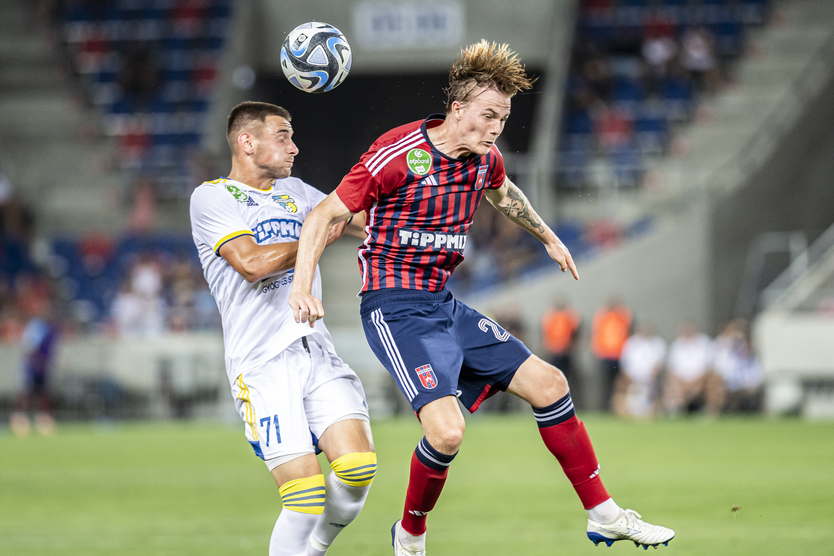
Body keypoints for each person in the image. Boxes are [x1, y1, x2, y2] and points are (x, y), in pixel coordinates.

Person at [288, 41, 674, 554]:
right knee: (447, 433)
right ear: (458, 108)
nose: (496, 128)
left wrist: (549, 238)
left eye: (504, 118)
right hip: (394, 307)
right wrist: (301, 284)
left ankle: (604, 514)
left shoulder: (485, 159)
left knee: (551, 384)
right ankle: (410, 533)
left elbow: (505, 192)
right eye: (489, 115)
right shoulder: (398, 153)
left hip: (443, 304)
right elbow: (324, 215)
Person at [189, 101, 376, 556]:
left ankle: (314, 551)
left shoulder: (297, 191)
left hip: (315, 348)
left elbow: (362, 221)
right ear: (246, 142)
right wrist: (316, 237)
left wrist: (424, 206)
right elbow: (251, 264)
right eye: (283, 136)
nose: (294, 147)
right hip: (262, 363)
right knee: (305, 498)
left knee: (358, 467)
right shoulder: (212, 197)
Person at [10, 300, 59, 437]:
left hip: (44, 367)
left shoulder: (50, 329)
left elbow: (51, 350)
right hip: (31, 367)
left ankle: (43, 419)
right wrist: (35, 362)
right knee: (26, 393)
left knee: (43, 393)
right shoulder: (35, 327)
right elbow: (29, 347)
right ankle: (20, 419)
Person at [661, 320, 723, 416]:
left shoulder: (705, 343)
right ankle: (676, 410)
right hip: (681, 382)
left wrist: (696, 383)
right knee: (670, 383)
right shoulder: (677, 344)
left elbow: (709, 368)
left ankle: (710, 411)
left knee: (713, 381)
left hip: (702, 380)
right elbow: (671, 369)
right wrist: (683, 383)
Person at [612, 322, 666, 419]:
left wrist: (648, 381)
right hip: (631, 380)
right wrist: (631, 382)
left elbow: (657, 368)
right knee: (618, 390)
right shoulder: (631, 343)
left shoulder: (658, 344)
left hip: (650, 381)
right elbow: (624, 366)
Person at [591, 295, 632, 411]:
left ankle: (617, 408)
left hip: (619, 355)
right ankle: (605, 407)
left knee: (619, 384)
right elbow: (597, 334)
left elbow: (628, 331)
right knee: (605, 384)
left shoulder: (622, 316)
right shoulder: (602, 316)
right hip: (605, 355)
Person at [541, 299, 581, 387]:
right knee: (555, 376)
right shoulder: (552, 316)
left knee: (565, 377)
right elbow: (546, 333)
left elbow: (574, 332)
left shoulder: (567, 316)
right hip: (555, 351)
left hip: (565, 351)